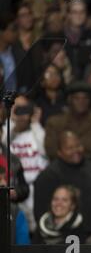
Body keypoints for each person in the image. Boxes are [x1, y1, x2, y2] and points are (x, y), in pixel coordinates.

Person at [34, 131, 91, 237]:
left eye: (78, 146)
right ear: (59, 152)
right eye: (69, 148)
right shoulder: (48, 176)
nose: (76, 151)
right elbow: (41, 212)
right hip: (66, 237)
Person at [1, 95, 48, 233]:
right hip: (14, 187)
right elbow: (2, 144)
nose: (21, 112)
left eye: (24, 108)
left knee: (36, 227)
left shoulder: (36, 131)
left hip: (35, 189)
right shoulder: (8, 131)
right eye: (17, 107)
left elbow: (45, 150)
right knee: (15, 226)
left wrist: (34, 122)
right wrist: (12, 118)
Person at [44, 81, 91, 160]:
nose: (81, 102)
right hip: (62, 168)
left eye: (85, 98)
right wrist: (89, 146)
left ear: (90, 100)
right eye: (77, 98)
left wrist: (69, 145)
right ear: (69, 100)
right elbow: (51, 150)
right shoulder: (55, 122)